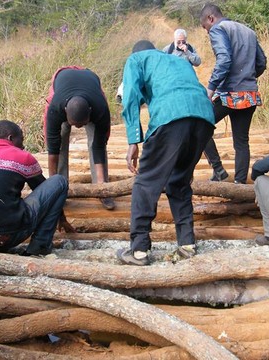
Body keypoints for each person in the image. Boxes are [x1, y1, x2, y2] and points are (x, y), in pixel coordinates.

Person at [116, 40, 215, 266]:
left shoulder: (136, 59)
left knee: (146, 182)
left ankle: (139, 250)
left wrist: (133, 140)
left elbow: (131, 96)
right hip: (204, 118)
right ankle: (187, 243)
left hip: (171, 117)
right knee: (178, 180)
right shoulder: (178, 61)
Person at [0, 120, 69, 256]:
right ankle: (40, 245)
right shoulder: (22, 156)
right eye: (21, 139)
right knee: (59, 181)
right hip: (11, 235)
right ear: (11, 138)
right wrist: (62, 218)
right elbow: (46, 190)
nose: (23, 145)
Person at [199, 3, 267, 184]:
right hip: (249, 94)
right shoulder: (248, 31)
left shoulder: (218, 29)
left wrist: (211, 87)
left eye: (205, 27)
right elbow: (261, 63)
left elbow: (224, 58)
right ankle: (240, 184)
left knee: (200, 125)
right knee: (242, 142)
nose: (207, 32)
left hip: (229, 95)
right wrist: (247, 78)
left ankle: (219, 170)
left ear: (210, 19)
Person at [43, 66, 115, 210]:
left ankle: (102, 188)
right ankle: (59, 188)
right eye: (74, 124)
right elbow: (53, 150)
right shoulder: (55, 108)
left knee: (95, 139)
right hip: (62, 81)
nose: (78, 128)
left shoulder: (100, 108)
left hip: (91, 85)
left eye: (83, 124)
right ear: (64, 112)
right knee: (61, 139)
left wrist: (103, 188)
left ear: (90, 111)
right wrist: (52, 186)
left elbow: (99, 146)